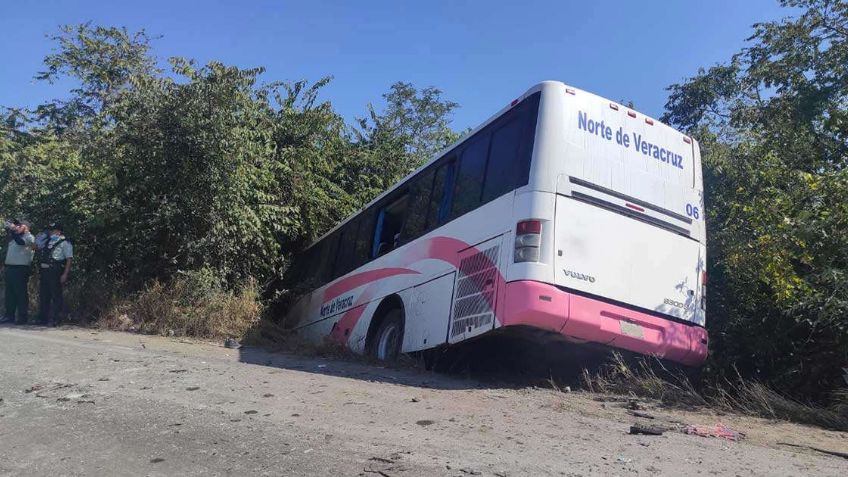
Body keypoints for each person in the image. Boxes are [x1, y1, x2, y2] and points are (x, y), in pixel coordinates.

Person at [37, 222, 72, 326]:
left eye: (52, 230)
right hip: (45, 271)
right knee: (44, 295)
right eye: (50, 230)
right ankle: (43, 318)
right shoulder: (48, 241)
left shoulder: (65, 242)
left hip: (55, 271)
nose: (50, 232)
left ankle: (55, 318)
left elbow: (69, 259)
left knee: (56, 295)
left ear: (58, 231)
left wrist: (65, 274)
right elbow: (36, 246)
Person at [2, 220, 35, 324]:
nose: (17, 226)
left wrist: (12, 231)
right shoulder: (14, 238)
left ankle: (22, 317)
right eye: (16, 225)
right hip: (10, 269)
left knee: (20, 294)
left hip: (20, 269)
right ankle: (9, 316)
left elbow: (20, 242)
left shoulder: (29, 237)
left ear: (26, 227)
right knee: (10, 294)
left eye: (19, 225)